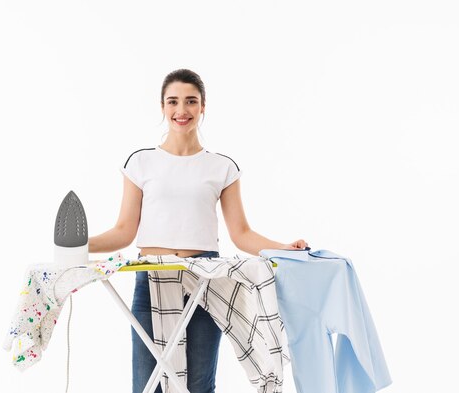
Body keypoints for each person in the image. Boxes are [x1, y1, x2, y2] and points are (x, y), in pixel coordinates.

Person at [88, 69, 308, 393]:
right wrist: (80, 244)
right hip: (152, 279)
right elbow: (123, 232)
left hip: (206, 281)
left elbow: (241, 233)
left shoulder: (222, 167)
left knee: (199, 384)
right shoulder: (141, 163)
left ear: (203, 106)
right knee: (147, 385)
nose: (182, 110)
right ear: (162, 106)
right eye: (173, 101)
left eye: (191, 101)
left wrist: (283, 248)